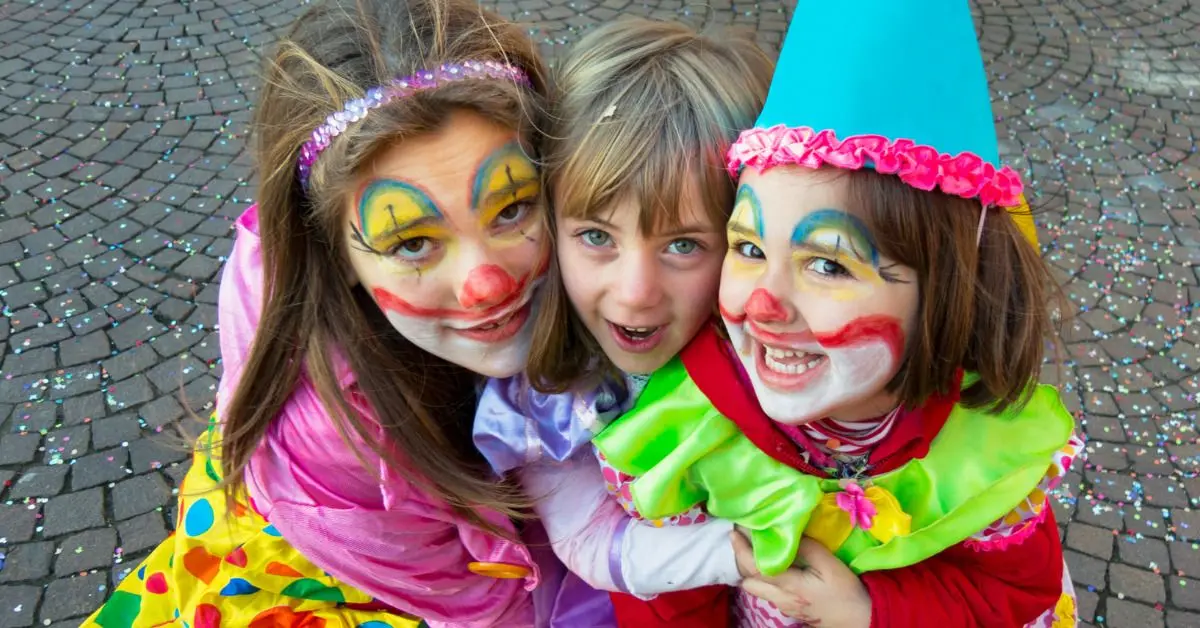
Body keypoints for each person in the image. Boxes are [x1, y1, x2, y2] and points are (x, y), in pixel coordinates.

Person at [82, 0, 614, 625]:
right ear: (336, 257)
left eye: (512, 208)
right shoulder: (339, 441)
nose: (485, 285)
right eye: (412, 243)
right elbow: (487, 614)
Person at [590, 0, 1083, 625]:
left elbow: (1010, 593)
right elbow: (666, 598)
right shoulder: (687, 428)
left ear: (949, 289)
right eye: (749, 248)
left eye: (827, 264)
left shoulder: (986, 449)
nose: (762, 305)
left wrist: (872, 612)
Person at [472, 17, 773, 628]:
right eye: (596, 236)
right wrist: (745, 556)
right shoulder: (548, 393)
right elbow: (587, 539)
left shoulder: (780, 350)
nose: (635, 294)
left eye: (683, 245)